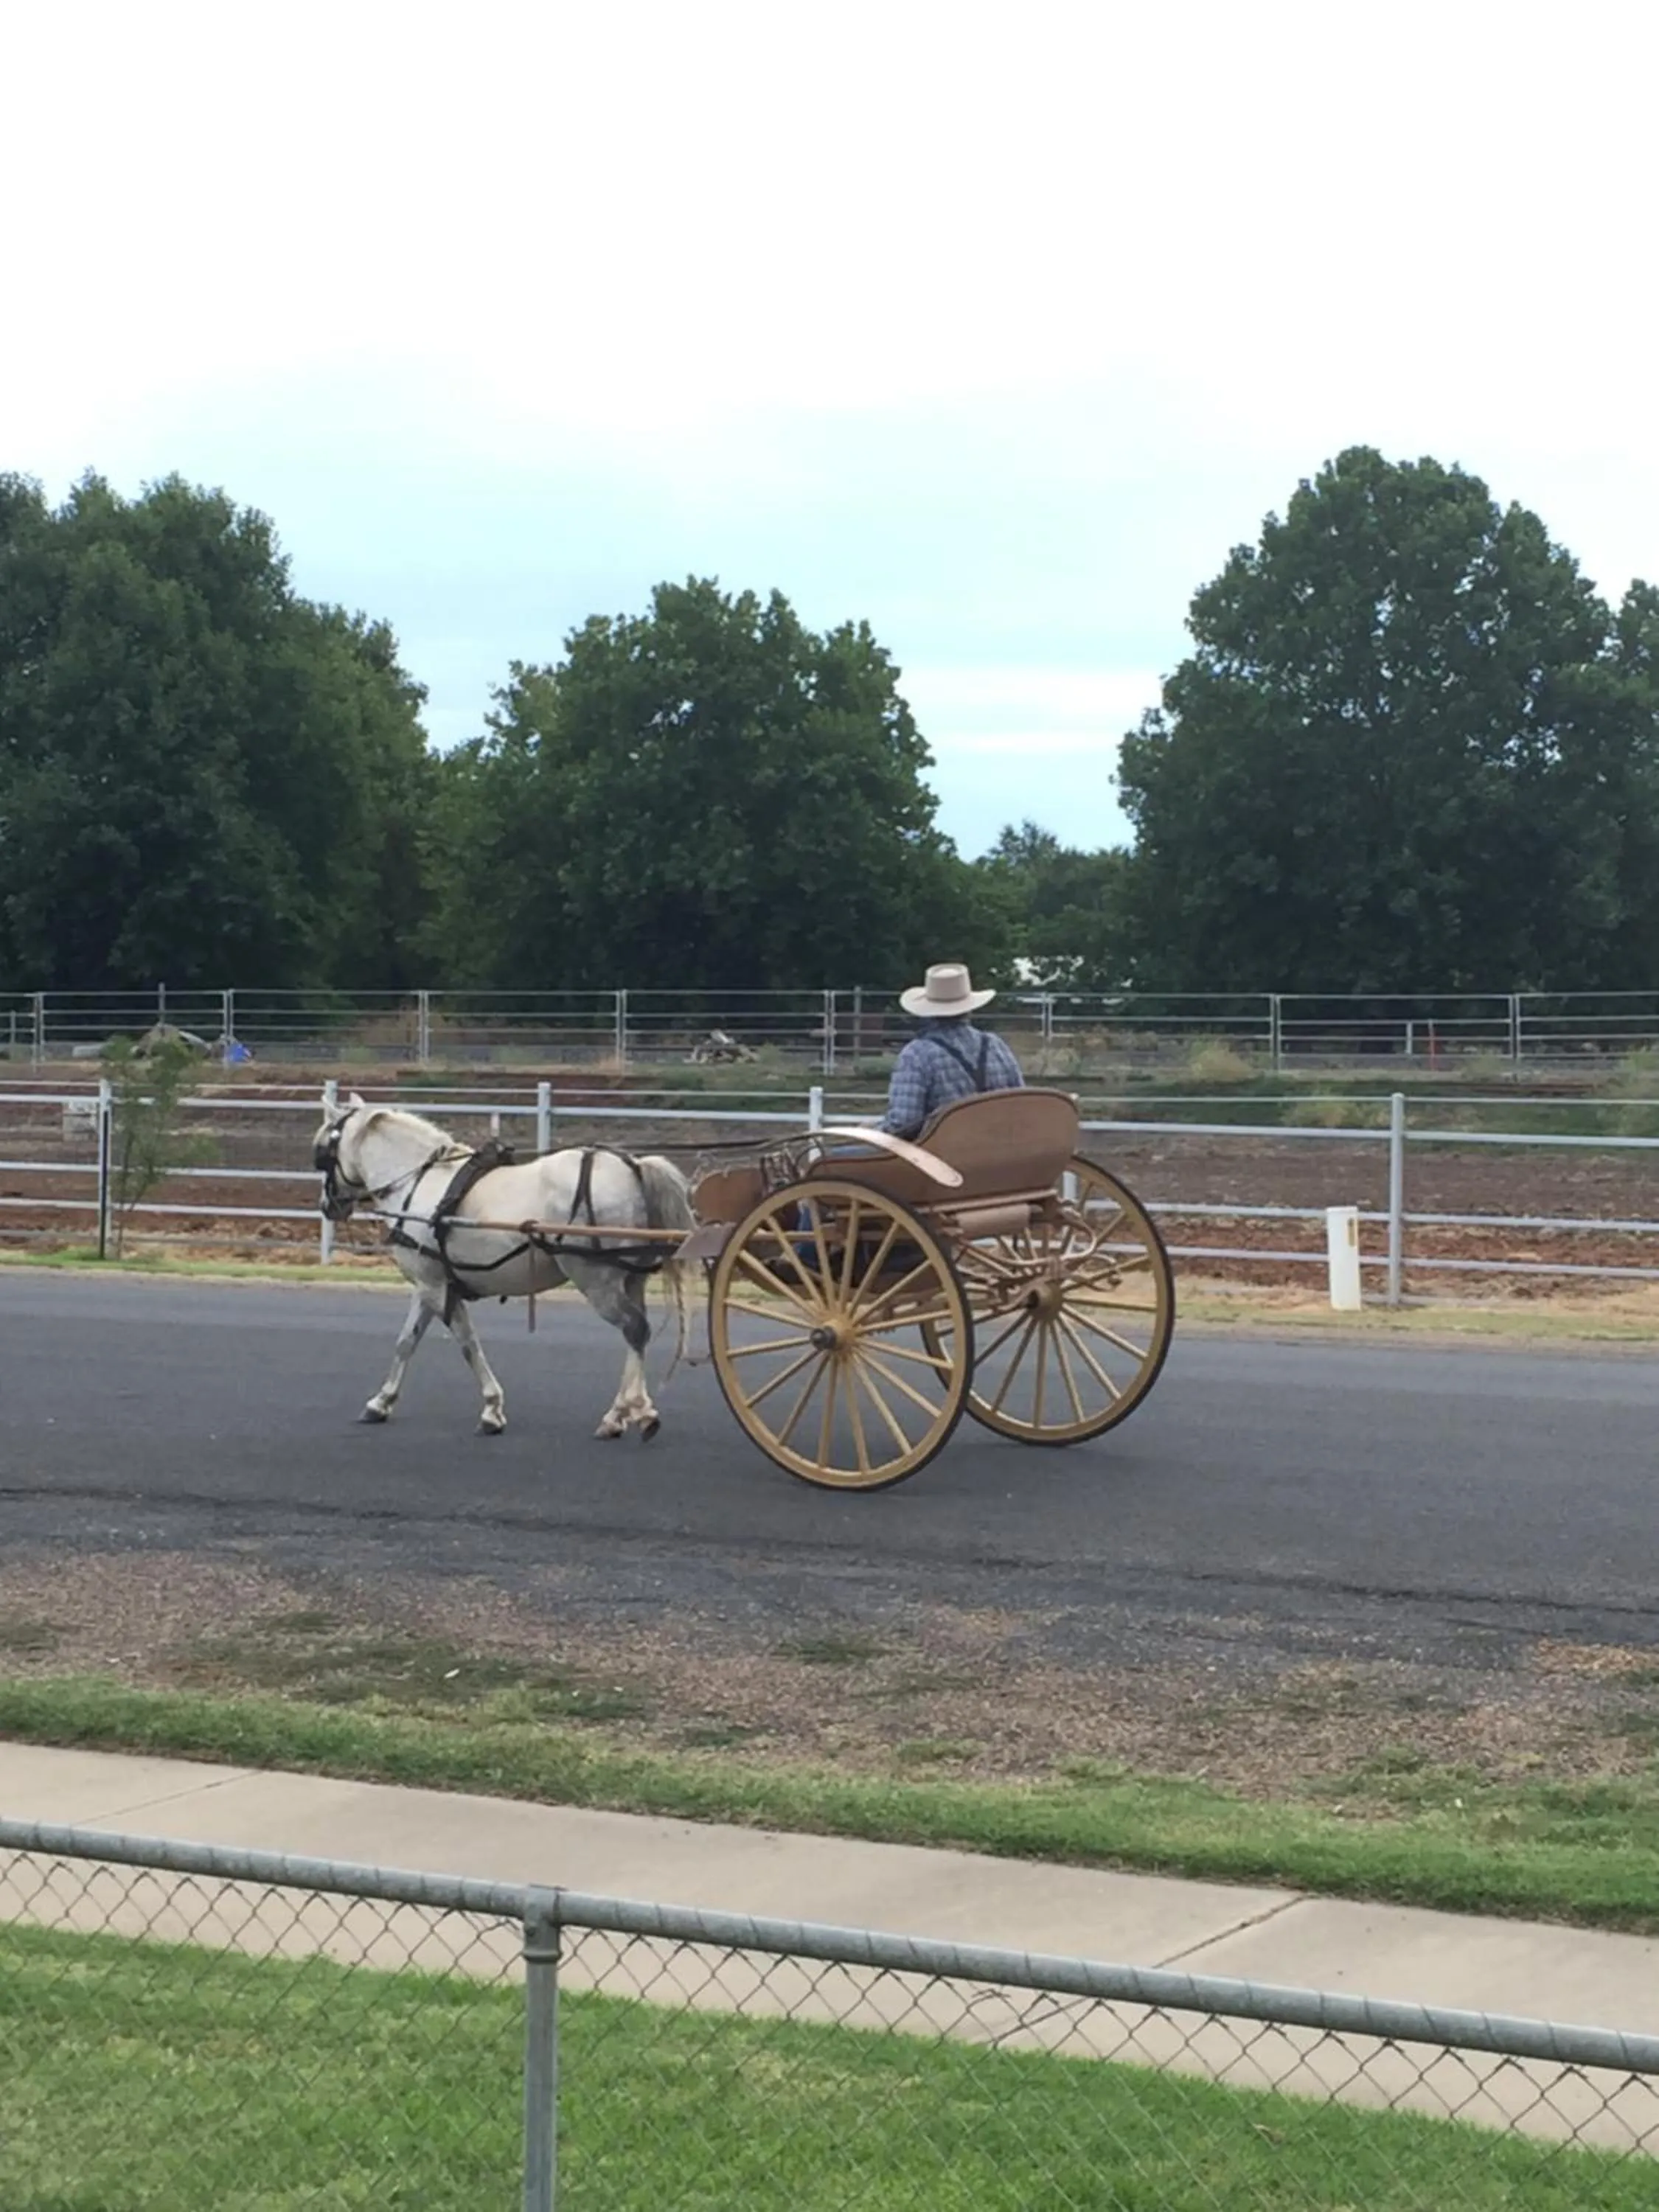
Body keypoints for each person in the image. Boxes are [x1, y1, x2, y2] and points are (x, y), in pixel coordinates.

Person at [880, 964, 1024, 1138]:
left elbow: (904, 1124)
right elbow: (1021, 1102)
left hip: (942, 1150)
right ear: (968, 1009)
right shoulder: (996, 1046)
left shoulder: (917, 1054)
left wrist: (870, 1130)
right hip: (1000, 1145)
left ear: (928, 1011)